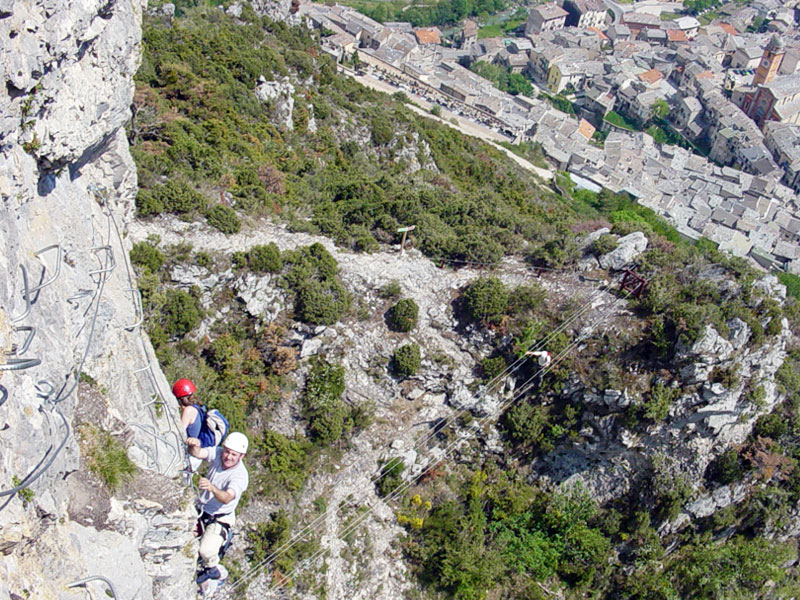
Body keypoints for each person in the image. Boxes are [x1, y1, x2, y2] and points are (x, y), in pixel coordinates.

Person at [188, 432, 249, 585]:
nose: (228, 456)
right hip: (202, 508)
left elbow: (227, 497)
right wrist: (194, 445)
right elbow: (199, 453)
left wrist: (212, 489)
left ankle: (212, 568)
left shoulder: (240, 476)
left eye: (233, 455)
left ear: (241, 456)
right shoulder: (218, 453)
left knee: (206, 551)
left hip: (220, 516)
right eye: (227, 451)